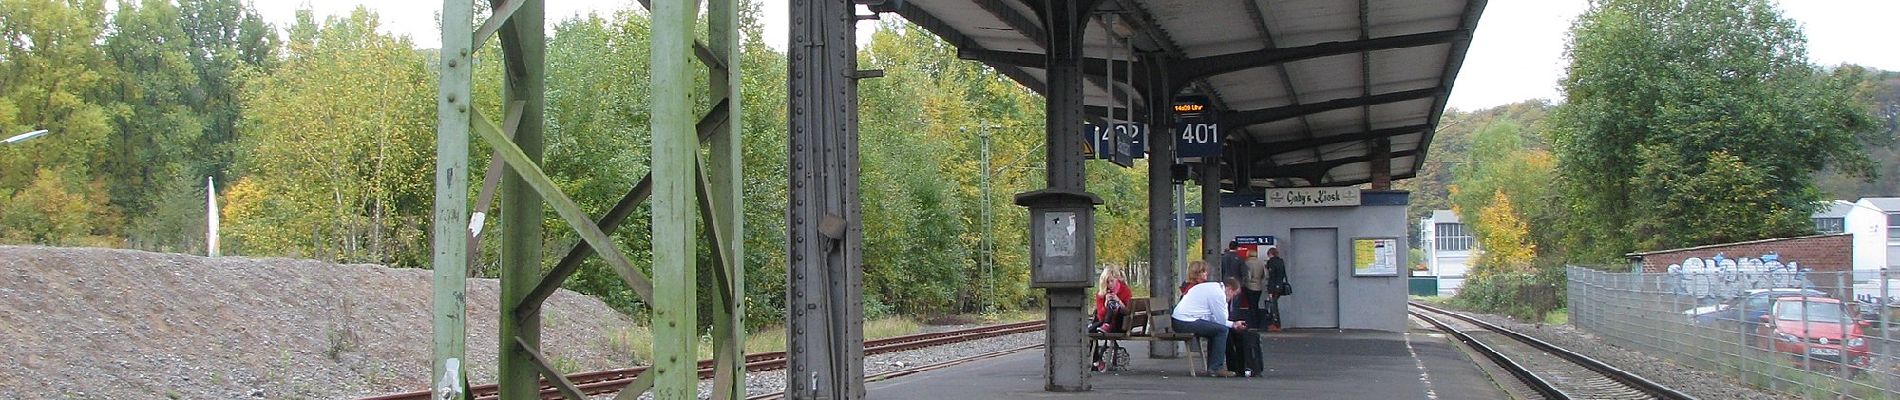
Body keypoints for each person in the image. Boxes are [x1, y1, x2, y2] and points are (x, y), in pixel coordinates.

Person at [1173, 277, 1248, 377]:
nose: (1232, 297)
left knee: (1215, 330)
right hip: (1185, 321)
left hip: (1181, 319)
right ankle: (1216, 368)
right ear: (1229, 289)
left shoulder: (1212, 287)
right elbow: (1221, 319)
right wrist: (1233, 324)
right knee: (1222, 331)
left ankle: (1213, 367)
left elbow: (1213, 318)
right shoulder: (1218, 294)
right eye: (1234, 294)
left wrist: (1233, 324)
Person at [1090, 266, 1132, 334]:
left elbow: (1128, 311)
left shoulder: (1125, 290)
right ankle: (1106, 325)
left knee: (1113, 303)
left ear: (1117, 279)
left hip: (1120, 324)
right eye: (1107, 282)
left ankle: (1106, 325)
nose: (1110, 284)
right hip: (1104, 322)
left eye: (1112, 281)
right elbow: (1101, 317)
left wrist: (1118, 301)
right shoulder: (1101, 293)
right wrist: (1106, 303)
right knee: (1091, 329)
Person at [1265, 247, 1289, 332]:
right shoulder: (1281, 261)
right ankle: (1275, 324)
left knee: (1273, 306)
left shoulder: (1271, 262)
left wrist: (1270, 290)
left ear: (1270, 254)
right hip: (1280, 286)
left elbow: (1272, 277)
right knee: (1273, 305)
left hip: (1273, 287)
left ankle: (1276, 324)